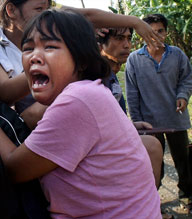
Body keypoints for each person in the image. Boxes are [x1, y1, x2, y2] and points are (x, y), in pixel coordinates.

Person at [0, 9, 161, 218]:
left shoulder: (77, 100)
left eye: (49, 46)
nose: (34, 57)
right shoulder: (90, 91)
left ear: (81, 60)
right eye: (28, 48)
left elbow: (14, 169)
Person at [0, 0, 162, 130]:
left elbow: (89, 15)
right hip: (22, 130)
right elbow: (4, 93)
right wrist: (53, 65)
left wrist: (135, 22)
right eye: (39, 9)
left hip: (63, 125)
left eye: (48, 8)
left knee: (150, 145)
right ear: (11, 10)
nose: (46, 16)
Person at [125, 13, 192, 217]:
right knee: (151, 164)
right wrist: (137, 121)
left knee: (183, 161)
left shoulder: (177, 55)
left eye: (160, 31)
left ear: (166, 33)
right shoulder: (134, 59)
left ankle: (189, 199)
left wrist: (183, 96)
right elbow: (132, 93)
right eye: (151, 32)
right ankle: (151, 202)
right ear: (142, 34)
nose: (156, 36)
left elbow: (186, 80)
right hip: (149, 124)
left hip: (176, 120)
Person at [97, 27, 163, 189]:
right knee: (152, 146)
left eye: (128, 38)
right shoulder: (95, 77)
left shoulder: (110, 74)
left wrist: (131, 125)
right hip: (101, 149)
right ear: (100, 45)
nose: (127, 45)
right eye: (119, 39)